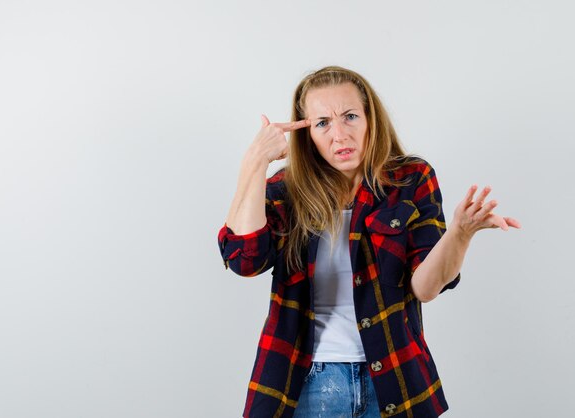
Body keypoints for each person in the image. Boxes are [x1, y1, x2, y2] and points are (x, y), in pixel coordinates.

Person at [217, 66, 520, 418]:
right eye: (322, 123)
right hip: (308, 381)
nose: (340, 134)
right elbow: (245, 261)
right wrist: (254, 164)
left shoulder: (411, 179)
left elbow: (425, 287)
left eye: (349, 116)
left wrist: (460, 233)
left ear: (369, 118)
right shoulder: (287, 189)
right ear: (306, 133)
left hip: (394, 376)